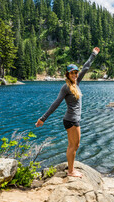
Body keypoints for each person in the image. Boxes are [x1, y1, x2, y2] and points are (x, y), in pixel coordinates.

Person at [35, 47, 100, 177]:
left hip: (74, 120)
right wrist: (43, 118)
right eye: (72, 73)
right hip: (71, 120)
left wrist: (93, 54)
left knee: (75, 145)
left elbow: (86, 68)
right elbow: (56, 103)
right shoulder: (66, 87)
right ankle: (71, 171)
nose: (75, 75)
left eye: (75, 73)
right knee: (72, 146)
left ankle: (71, 168)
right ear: (67, 75)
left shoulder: (77, 83)